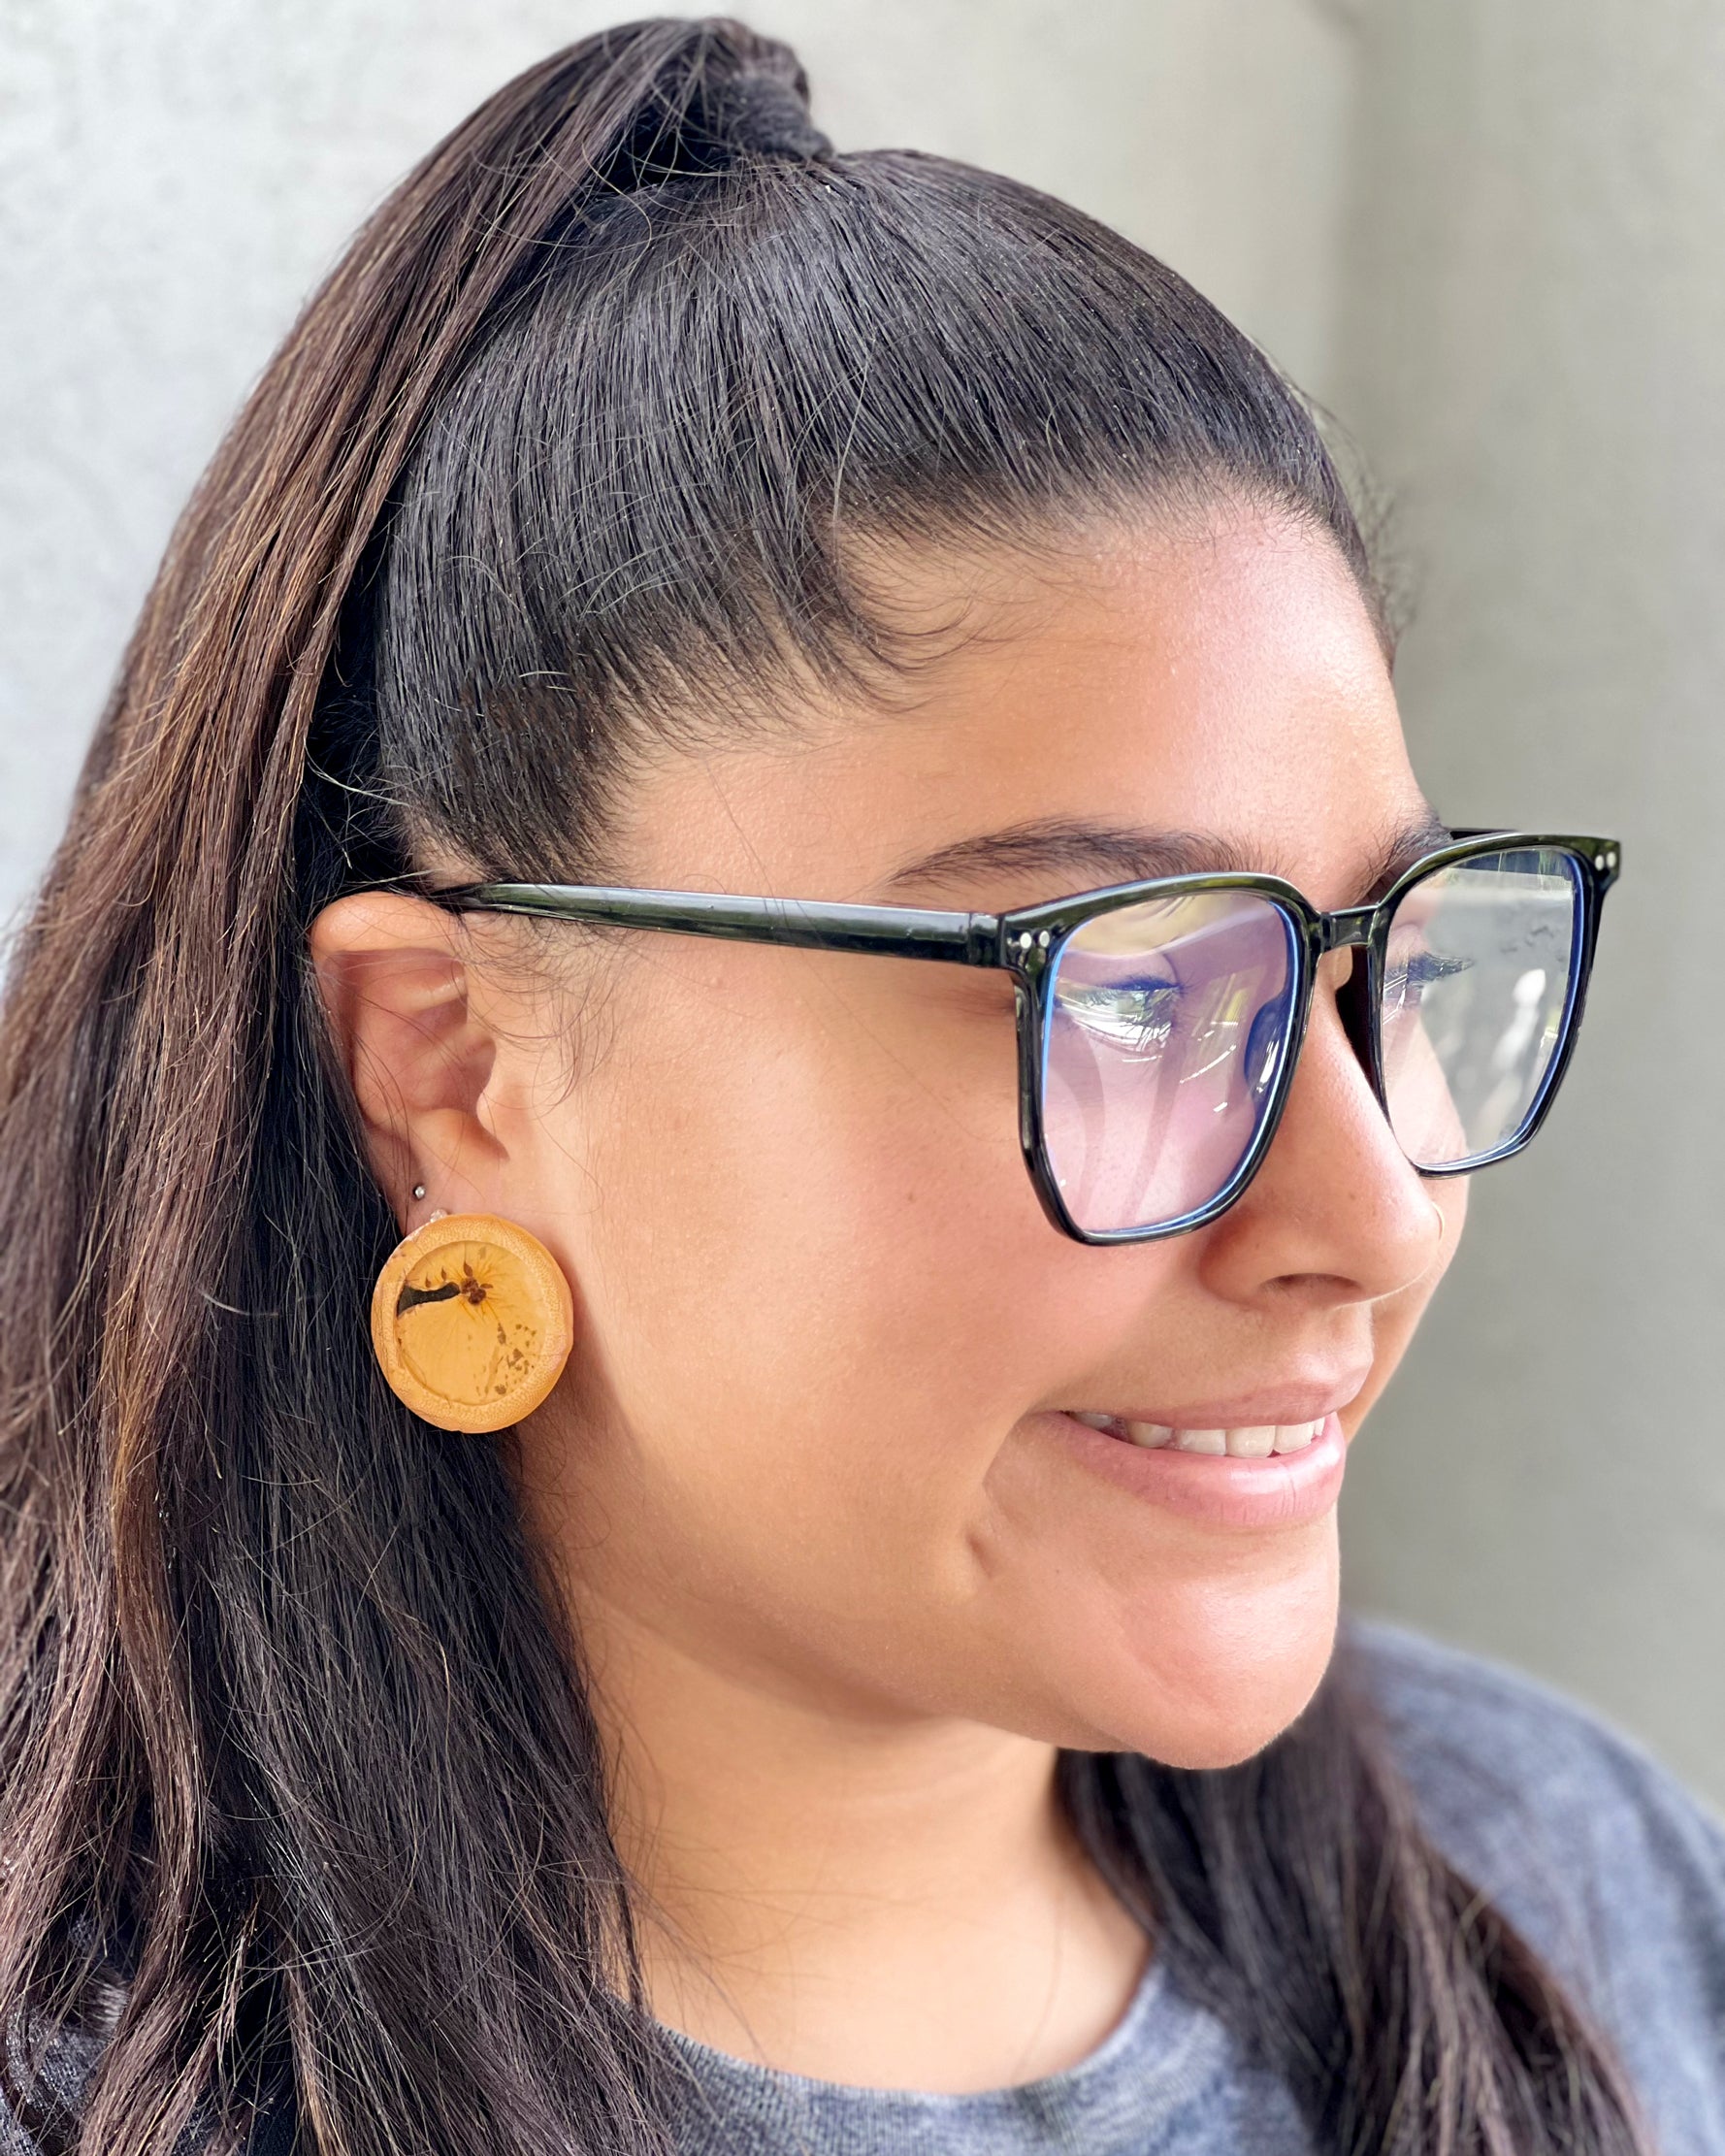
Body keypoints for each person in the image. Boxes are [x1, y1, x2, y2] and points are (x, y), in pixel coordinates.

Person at [1, 16, 1721, 2155]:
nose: (1369, 1217)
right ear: (453, 1071)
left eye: (1382, 965)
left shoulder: (1594, 1907)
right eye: (1128, 997)